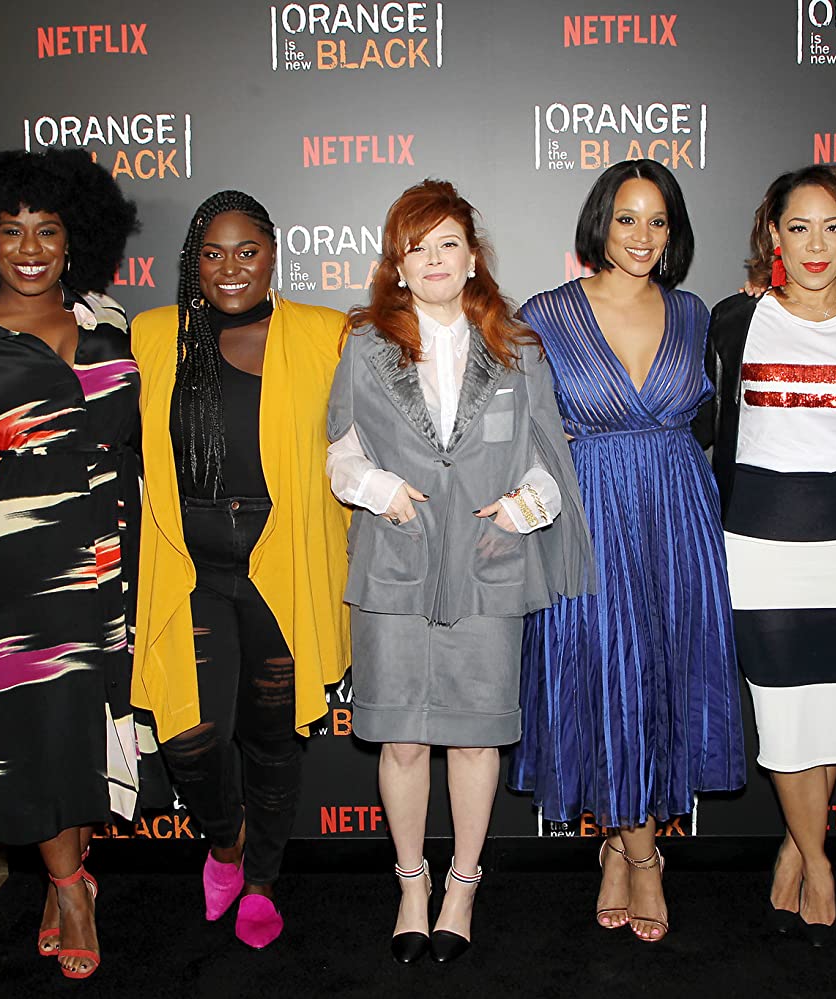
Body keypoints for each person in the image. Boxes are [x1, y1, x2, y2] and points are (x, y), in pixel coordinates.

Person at [327, 179, 593, 964]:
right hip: (396, 562)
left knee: (477, 742)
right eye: (418, 247)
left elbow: (550, 461)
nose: (435, 259)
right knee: (404, 740)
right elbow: (341, 454)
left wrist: (524, 508)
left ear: (473, 256)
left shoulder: (517, 348)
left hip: (488, 564)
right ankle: (411, 884)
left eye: (449, 243)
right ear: (398, 264)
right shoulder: (366, 347)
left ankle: (463, 886)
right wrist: (377, 488)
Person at [0, 147, 140, 981]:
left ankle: (63, 873)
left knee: (82, 724)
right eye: (11, 230)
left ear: (75, 236)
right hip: (13, 570)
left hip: (111, 558)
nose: (30, 247)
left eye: (47, 228)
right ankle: (73, 890)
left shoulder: (110, 326)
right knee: (35, 728)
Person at [510, 159, 745, 944]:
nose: (642, 235)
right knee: (607, 675)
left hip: (678, 514)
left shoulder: (692, 312)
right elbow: (517, 428)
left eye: (658, 220)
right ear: (599, 225)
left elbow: (710, 422)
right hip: (589, 514)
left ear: (674, 232)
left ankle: (619, 843)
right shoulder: (547, 313)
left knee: (662, 677)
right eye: (626, 218)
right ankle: (645, 857)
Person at [129, 191, 352, 950]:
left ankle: (261, 879)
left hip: (282, 558)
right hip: (188, 563)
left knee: (271, 735)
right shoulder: (153, 335)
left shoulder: (323, 333)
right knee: (189, 736)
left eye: (247, 251)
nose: (231, 267)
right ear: (193, 260)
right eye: (213, 253)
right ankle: (225, 843)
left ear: (273, 255)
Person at [707, 164, 836, 946]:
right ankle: (821, 863)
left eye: (832, 227)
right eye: (798, 227)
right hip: (760, 544)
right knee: (785, 712)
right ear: (773, 236)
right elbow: (701, 420)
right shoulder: (735, 320)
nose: (816, 245)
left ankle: (796, 843)